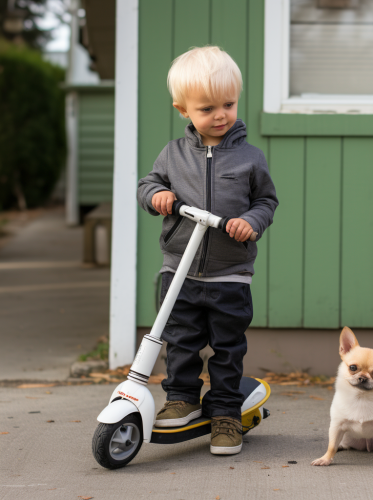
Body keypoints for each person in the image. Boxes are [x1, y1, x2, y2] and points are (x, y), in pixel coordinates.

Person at [137, 46, 278, 455]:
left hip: (230, 273)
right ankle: (181, 398)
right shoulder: (173, 154)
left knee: (227, 347)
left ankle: (226, 415)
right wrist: (157, 195)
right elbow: (146, 186)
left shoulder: (251, 158)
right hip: (177, 269)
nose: (221, 115)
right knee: (180, 340)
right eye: (207, 108)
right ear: (183, 110)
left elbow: (265, 202)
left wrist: (251, 222)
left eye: (229, 104)